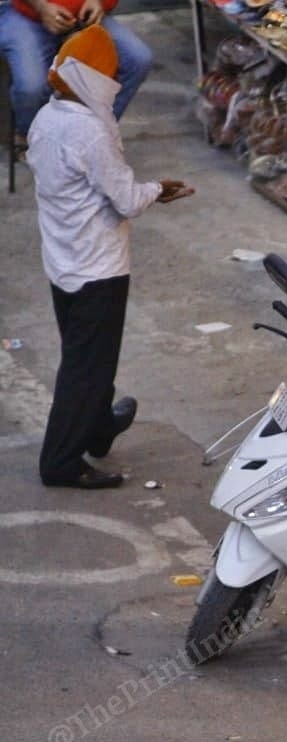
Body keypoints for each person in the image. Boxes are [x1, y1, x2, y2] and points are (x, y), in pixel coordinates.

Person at [27, 25, 193, 489]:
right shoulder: (89, 131)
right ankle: (60, 461)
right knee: (86, 366)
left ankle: (99, 426)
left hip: (62, 261)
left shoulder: (45, 119)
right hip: (98, 266)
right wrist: (160, 189)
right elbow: (125, 199)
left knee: (88, 355)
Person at [0, 0, 153, 150]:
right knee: (31, 86)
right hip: (25, 13)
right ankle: (29, 137)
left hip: (82, 14)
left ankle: (89, 134)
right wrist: (42, 7)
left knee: (137, 59)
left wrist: (98, 2)